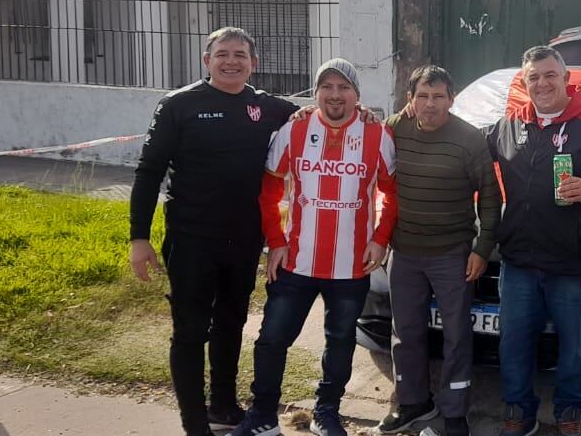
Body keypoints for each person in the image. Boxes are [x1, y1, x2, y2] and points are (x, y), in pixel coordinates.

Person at [129, 26, 299, 436]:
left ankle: (223, 406)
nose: (231, 61)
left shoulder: (267, 107)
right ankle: (194, 425)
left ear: (253, 64)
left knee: (231, 322)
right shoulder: (178, 105)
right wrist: (139, 238)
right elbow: (149, 172)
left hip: (243, 240)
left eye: (240, 55)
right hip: (191, 239)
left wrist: (357, 111)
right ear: (207, 61)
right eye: (222, 54)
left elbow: (320, 113)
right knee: (190, 331)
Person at [231, 58, 398, 436]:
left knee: (339, 343)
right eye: (327, 87)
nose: (335, 95)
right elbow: (269, 189)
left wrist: (379, 238)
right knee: (272, 339)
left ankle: (327, 412)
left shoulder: (377, 135)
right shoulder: (295, 129)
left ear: (357, 95)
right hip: (295, 263)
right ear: (316, 92)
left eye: (344, 88)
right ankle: (263, 417)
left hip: (351, 267)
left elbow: (393, 194)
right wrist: (275, 241)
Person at [488, 46, 581, 436]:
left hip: (575, 263)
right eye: (534, 77)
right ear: (525, 82)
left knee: (576, 349)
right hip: (520, 261)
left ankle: (569, 414)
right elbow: (466, 151)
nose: (542, 83)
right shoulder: (509, 125)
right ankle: (518, 411)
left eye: (550, 75)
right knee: (513, 344)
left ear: (566, 80)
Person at [374, 65, 500, 436]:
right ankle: (413, 402)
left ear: (452, 98)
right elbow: (363, 130)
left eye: (439, 96)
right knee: (406, 332)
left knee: (457, 335)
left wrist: (482, 247)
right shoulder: (395, 128)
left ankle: (454, 411)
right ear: (410, 99)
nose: (431, 104)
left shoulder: (469, 138)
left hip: (452, 254)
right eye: (423, 96)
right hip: (405, 253)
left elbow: (490, 197)